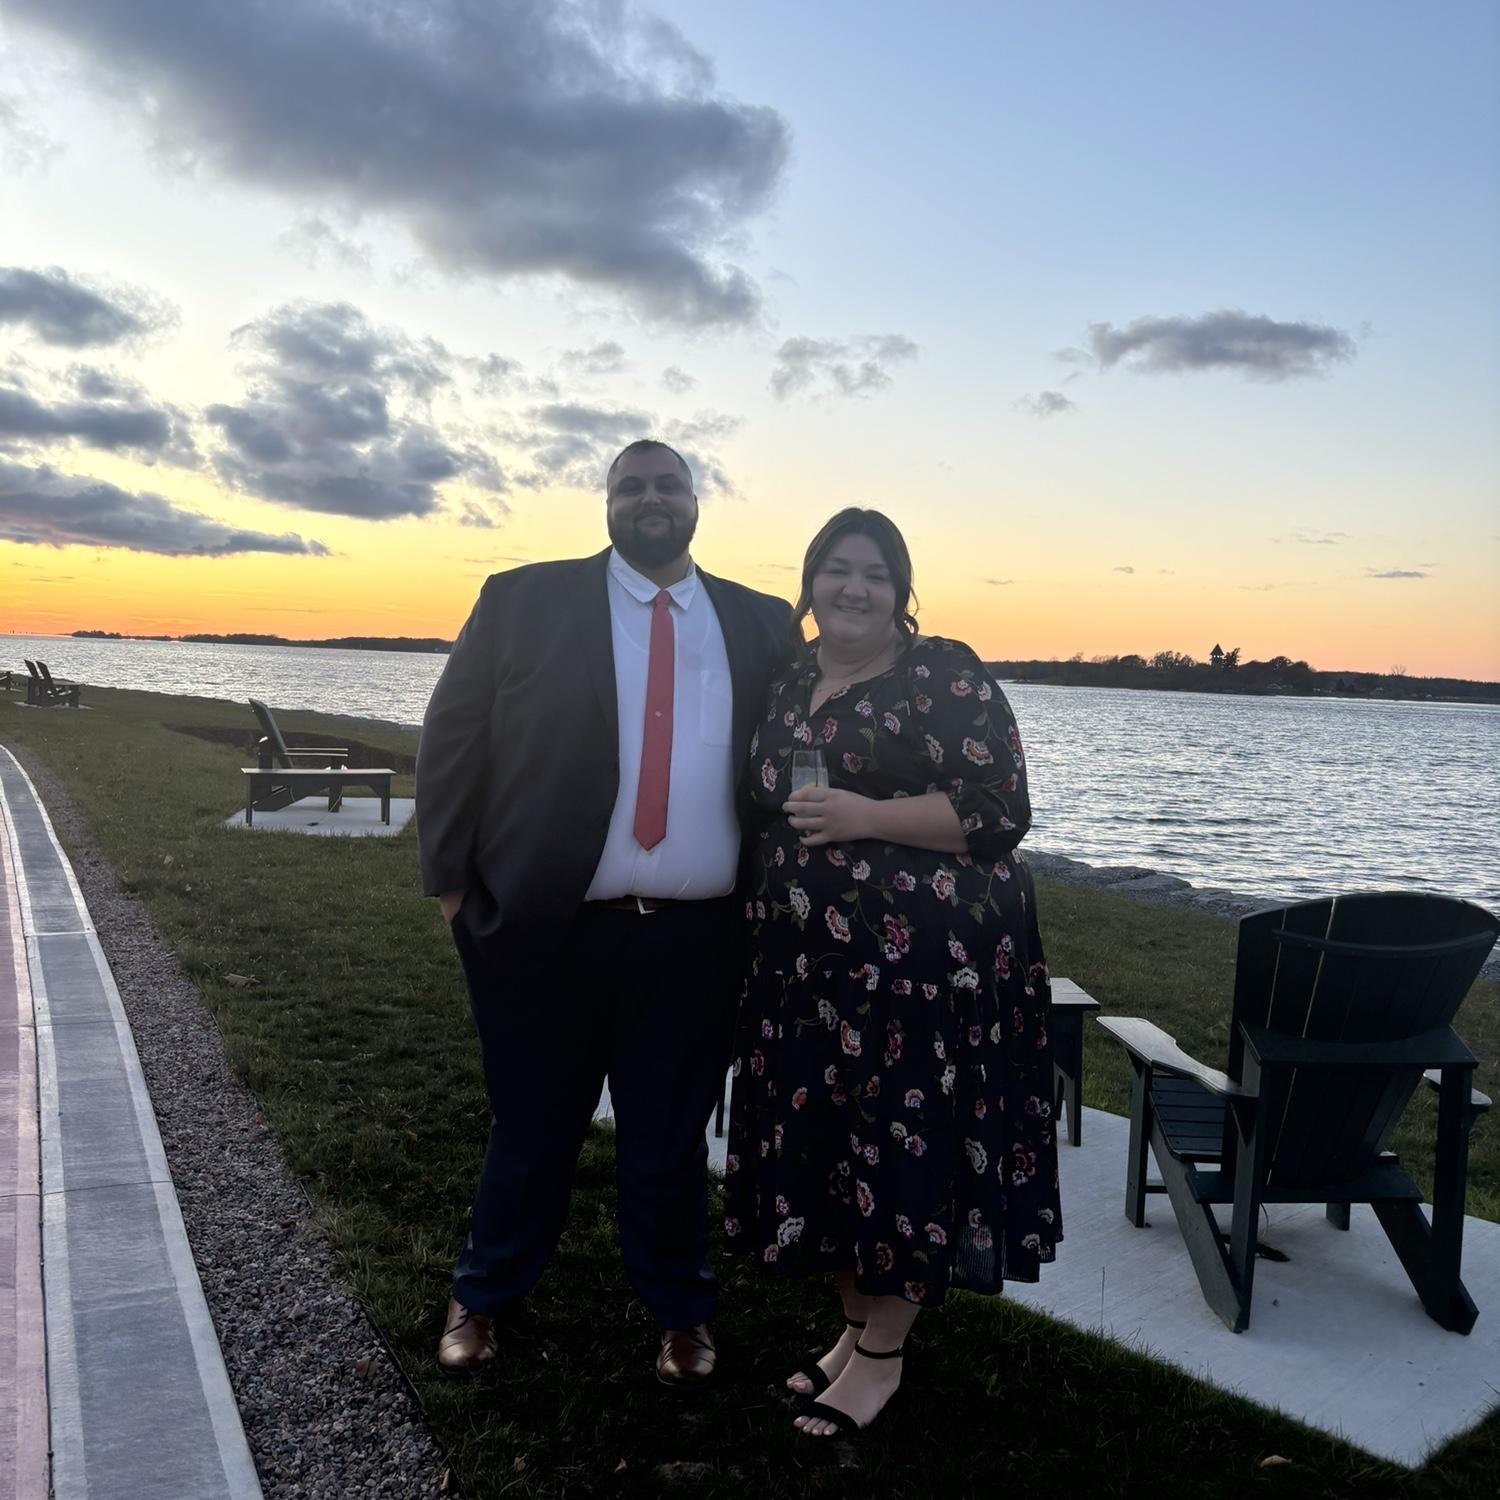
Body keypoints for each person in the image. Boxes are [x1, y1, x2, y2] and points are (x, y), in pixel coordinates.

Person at [417, 438, 789, 1386]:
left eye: (668, 485)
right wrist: (453, 888)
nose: (650, 499)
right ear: (607, 503)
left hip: (698, 940)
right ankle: (482, 1296)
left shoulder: (759, 623)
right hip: (549, 928)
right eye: (631, 486)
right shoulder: (522, 600)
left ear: (697, 501)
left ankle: (680, 1315)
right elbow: (452, 737)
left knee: (668, 1138)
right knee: (532, 1125)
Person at [723, 507, 1060, 1436]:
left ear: (901, 591)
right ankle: (852, 1328)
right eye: (838, 569)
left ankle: (883, 1356)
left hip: (920, 977)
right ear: (810, 582)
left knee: (904, 1146)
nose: (854, 588)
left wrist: (865, 816)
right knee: (830, 1146)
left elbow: (1001, 810)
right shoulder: (790, 679)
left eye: (876, 574)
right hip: (805, 973)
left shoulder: (940, 672)